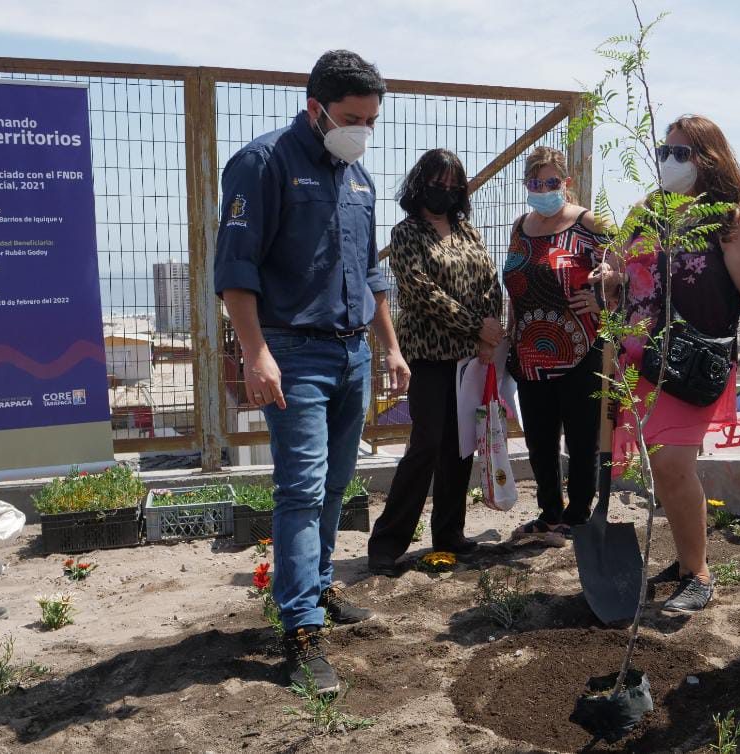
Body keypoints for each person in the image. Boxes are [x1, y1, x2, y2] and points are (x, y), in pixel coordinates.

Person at [215, 50, 409, 694]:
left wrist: (389, 346)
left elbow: (371, 273)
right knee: (300, 489)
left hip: (352, 352)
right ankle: (299, 629)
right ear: (315, 108)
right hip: (292, 353)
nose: (362, 130)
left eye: (371, 121)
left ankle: (318, 591)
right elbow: (236, 269)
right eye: (353, 117)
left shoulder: (357, 177)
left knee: (334, 487)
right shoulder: (262, 163)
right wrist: (255, 352)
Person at [615, 115, 740, 614]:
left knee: (672, 465)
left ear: (709, 159)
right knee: (662, 472)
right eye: (665, 152)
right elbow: (621, 273)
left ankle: (700, 573)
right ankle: (688, 559)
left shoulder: (730, 220)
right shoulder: (646, 213)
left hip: (690, 367)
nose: (669, 161)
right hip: (638, 364)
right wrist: (608, 274)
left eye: (681, 153)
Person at [367, 149, 502, 572]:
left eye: (452, 185)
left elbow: (489, 282)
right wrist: (475, 326)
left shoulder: (468, 231)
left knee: (459, 448)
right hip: (428, 355)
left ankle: (449, 532)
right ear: (419, 184)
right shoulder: (407, 233)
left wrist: (490, 331)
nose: (444, 192)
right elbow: (422, 293)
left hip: (469, 358)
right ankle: (387, 544)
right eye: (436, 183)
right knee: (425, 445)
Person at [503, 146, 612, 545]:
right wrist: (510, 336)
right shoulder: (520, 226)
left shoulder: (588, 223)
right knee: (539, 438)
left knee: (581, 438)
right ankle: (549, 514)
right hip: (529, 350)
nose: (543, 189)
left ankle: (578, 515)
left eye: (552, 182)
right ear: (527, 185)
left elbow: (627, 271)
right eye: (536, 182)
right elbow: (516, 286)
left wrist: (603, 299)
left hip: (581, 349)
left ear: (565, 183)